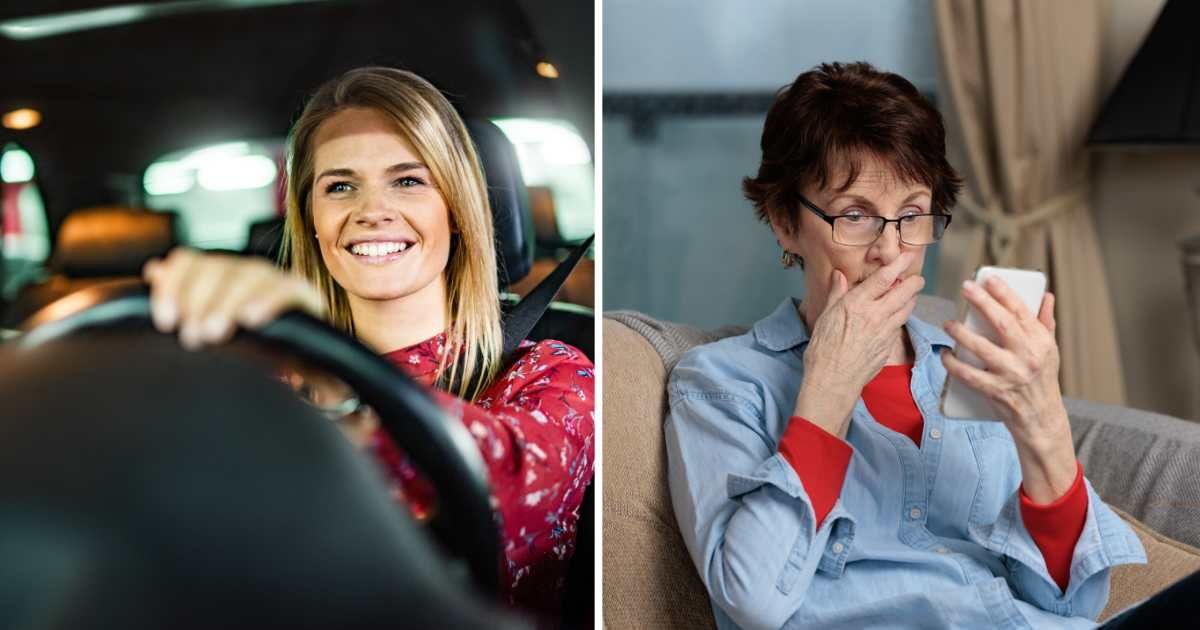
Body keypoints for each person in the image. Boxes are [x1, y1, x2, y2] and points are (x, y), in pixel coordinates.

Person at [663, 62, 1169, 629]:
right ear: (785, 222)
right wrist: (826, 389)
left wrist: (1044, 425)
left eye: (910, 215)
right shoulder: (720, 384)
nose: (890, 250)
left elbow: (1069, 603)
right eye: (855, 215)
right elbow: (752, 601)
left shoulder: (974, 366)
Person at [143, 67, 594, 621]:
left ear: (457, 209)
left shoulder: (553, 375)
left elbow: (507, 505)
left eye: (408, 180)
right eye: (340, 186)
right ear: (309, 218)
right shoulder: (255, 380)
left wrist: (338, 382)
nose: (370, 210)